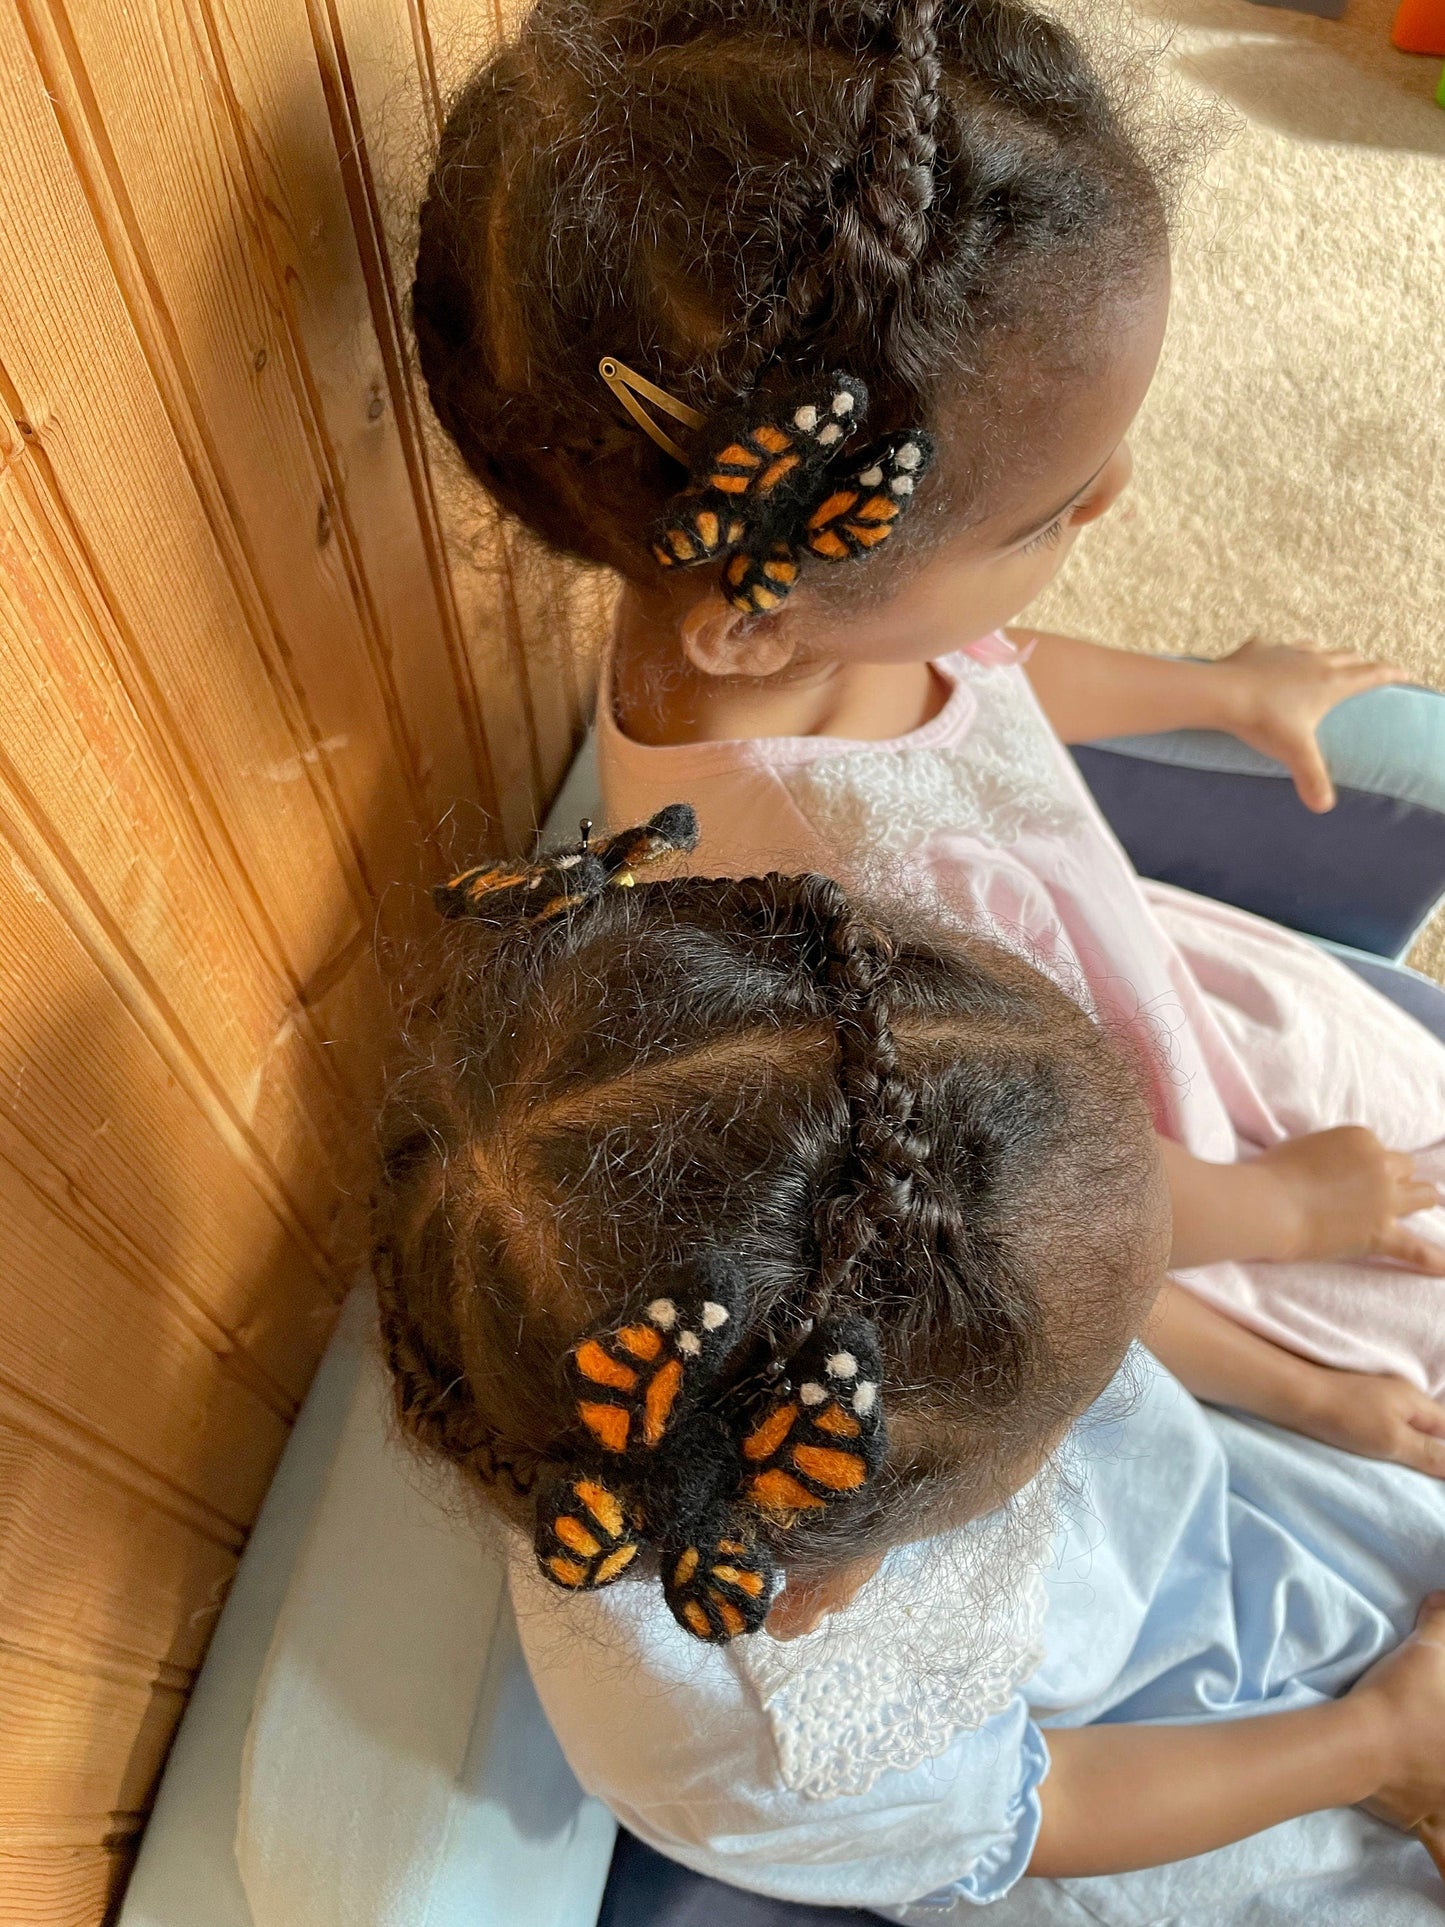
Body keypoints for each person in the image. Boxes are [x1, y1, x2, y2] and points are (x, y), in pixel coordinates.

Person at [410, 0, 1445, 1463]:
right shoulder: (800, 890)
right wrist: (1290, 1288)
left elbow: (992, 671)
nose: (1116, 496)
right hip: (1111, 1187)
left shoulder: (785, 601)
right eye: (1044, 512)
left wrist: (1213, 689)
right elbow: (1010, 1216)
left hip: (1139, 987)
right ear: (758, 625)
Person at [374, 815, 1445, 1919]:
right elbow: (1051, 1805)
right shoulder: (762, 1747)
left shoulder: (870, 1314)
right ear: (819, 1586)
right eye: (1071, 1401)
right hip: (1133, 1774)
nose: (1098, 1392)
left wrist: (1318, 1399)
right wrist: (1371, 1743)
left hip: (1177, 1534)